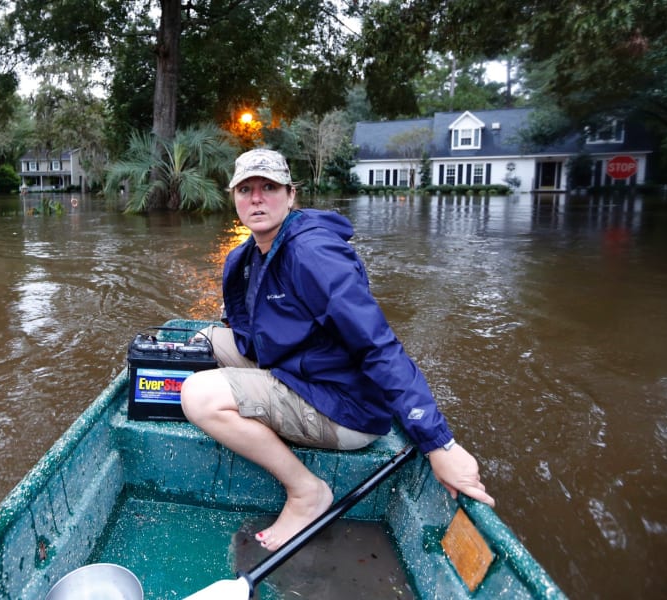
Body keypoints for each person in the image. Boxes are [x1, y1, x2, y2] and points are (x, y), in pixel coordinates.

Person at [180, 148, 495, 553]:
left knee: (198, 396)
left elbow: (378, 345)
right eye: (246, 189)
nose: (257, 198)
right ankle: (249, 401)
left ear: (291, 195)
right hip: (301, 371)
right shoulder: (254, 255)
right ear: (235, 198)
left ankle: (305, 491)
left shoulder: (314, 255)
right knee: (205, 338)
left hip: (344, 408)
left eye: (269, 187)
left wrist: (438, 443)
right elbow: (251, 325)